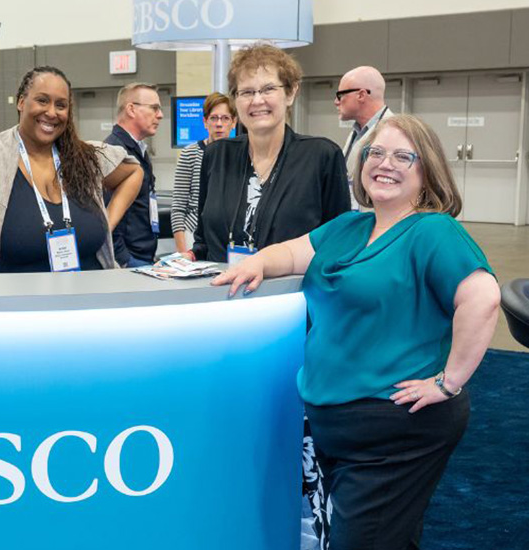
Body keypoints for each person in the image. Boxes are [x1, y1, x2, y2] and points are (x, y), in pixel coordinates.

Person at [214, 114, 500, 550]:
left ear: (427, 172)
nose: (386, 164)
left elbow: (483, 298)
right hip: (339, 423)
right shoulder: (352, 226)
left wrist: (450, 382)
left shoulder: (433, 230)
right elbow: (293, 253)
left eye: (404, 156)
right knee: (387, 535)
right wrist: (256, 262)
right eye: (376, 153)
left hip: (396, 427)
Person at [0, 66, 143, 273]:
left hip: (87, 304)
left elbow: (134, 172)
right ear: (21, 102)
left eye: (61, 105)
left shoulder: (85, 157)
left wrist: (107, 221)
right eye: (42, 101)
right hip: (18, 307)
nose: (51, 112)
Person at [189, 43, 351, 264]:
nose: (257, 100)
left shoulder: (321, 156)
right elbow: (203, 240)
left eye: (268, 89)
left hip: (290, 293)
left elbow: (338, 243)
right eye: (246, 92)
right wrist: (186, 258)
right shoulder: (217, 155)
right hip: (220, 291)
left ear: (291, 92)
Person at [104, 82, 163, 267]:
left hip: (143, 255)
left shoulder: (139, 150)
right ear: (131, 109)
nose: (160, 115)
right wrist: (124, 260)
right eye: (154, 108)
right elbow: (107, 216)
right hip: (128, 260)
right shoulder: (114, 151)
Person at [170, 92, 236, 253]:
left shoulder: (241, 155)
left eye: (225, 118)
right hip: (193, 233)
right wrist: (182, 250)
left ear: (234, 122)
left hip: (229, 235)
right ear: (205, 122)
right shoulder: (190, 153)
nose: (219, 124)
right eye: (214, 118)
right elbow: (178, 206)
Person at [336, 66, 394, 206]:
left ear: (361, 95)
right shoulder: (357, 131)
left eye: (340, 95)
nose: (336, 102)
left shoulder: (393, 133)